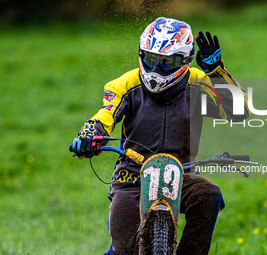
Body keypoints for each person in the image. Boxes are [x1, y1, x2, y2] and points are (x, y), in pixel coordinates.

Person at [71, 17, 250, 255]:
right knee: (124, 250)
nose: (156, 69)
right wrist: (89, 135)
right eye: (151, 58)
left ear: (184, 61)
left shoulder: (199, 82)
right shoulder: (125, 84)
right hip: (132, 176)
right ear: (141, 53)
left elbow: (239, 113)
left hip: (182, 173)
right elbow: (104, 117)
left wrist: (216, 72)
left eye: (167, 62)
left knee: (209, 195)